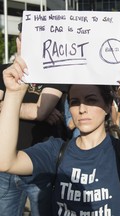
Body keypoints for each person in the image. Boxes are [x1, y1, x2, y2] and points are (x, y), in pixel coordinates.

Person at [0, 37, 120, 215]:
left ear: (107, 106)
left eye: (91, 100)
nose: (81, 109)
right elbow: (5, 162)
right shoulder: (55, 150)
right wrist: (13, 94)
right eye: (74, 101)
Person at [0, 26, 67, 215]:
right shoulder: (4, 72)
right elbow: (37, 111)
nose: (25, 45)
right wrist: (30, 109)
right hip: (5, 163)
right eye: (22, 39)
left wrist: (6, 105)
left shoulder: (55, 73)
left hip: (39, 164)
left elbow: (40, 112)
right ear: (18, 42)